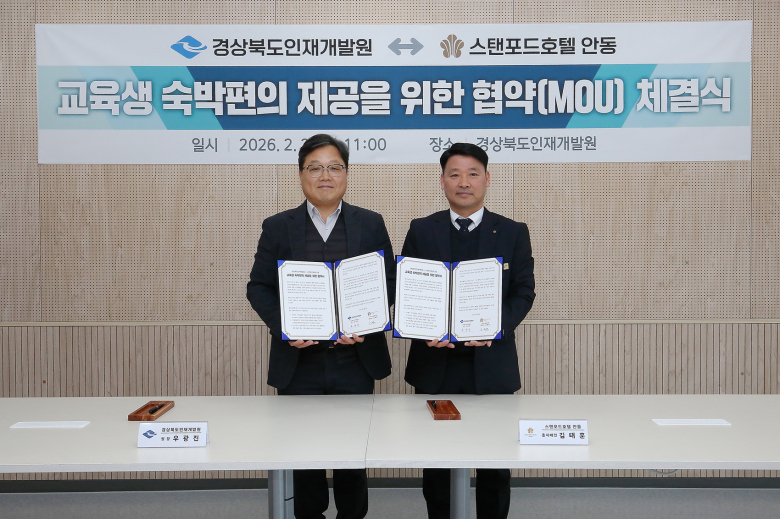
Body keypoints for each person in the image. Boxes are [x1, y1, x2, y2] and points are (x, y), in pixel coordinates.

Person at [247, 134, 394, 519]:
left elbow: (389, 282)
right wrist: (286, 328)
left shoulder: (370, 223)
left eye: (334, 167)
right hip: (300, 363)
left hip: (355, 360)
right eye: (315, 168)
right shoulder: (278, 227)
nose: (325, 176)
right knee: (303, 455)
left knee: (353, 455)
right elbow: (258, 287)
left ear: (346, 174)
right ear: (301, 175)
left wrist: (367, 321)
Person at [401, 142, 535, 519]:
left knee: (494, 464)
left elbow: (524, 291)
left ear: (487, 179)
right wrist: (422, 327)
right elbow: (408, 288)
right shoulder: (421, 229)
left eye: (473, 174)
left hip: (491, 367)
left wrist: (495, 327)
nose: (464, 182)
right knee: (437, 464)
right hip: (436, 366)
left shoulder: (512, 232)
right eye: (455, 174)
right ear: (442, 181)